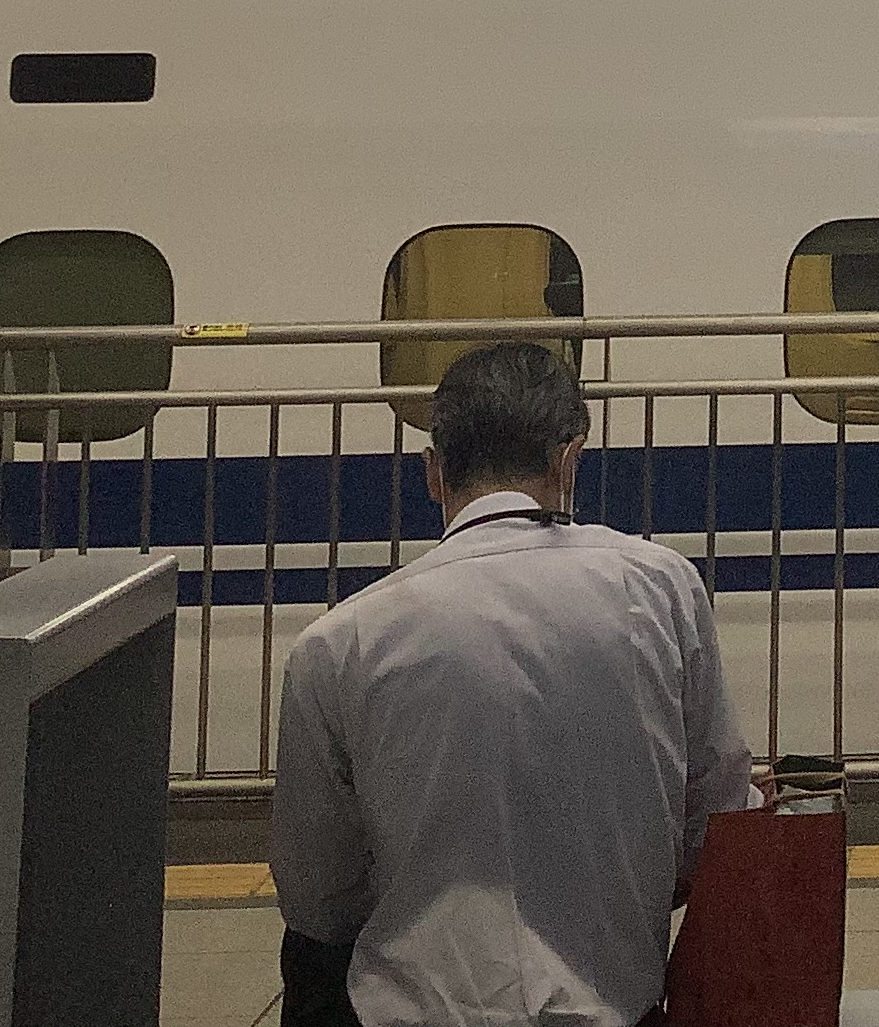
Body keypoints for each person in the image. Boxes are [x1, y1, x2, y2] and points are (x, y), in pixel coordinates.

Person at [272, 342, 752, 1027]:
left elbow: (319, 900)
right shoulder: (663, 587)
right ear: (569, 460)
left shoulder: (337, 642)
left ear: (433, 472)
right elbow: (717, 818)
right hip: (618, 1009)